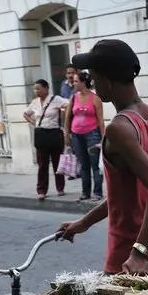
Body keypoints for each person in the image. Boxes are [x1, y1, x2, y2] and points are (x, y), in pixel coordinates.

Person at [57, 39, 148, 274]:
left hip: (130, 255)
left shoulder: (119, 128)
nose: (91, 85)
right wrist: (85, 223)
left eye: (93, 78)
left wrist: (138, 252)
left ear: (108, 81)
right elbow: (126, 194)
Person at [63, 70, 104, 201]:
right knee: (83, 165)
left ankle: (97, 192)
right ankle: (85, 192)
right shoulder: (73, 98)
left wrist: (103, 138)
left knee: (95, 165)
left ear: (83, 82)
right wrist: (66, 134)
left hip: (92, 134)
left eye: (76, 81)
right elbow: (67, 117)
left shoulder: (95, 99)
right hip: (76, 134)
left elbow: (100, 120)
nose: (73, 83)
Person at [24, 79, 68, 200]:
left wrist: (63, 117)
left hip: (54, 132)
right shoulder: (35, 102)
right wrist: (34, 122)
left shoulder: (56, 99)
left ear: (46, 88)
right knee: (42, 164)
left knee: (57, 162)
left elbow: (68, 105)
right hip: (41, 133)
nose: (36, 91)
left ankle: (60, 188)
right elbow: (26, 113)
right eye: (35, 89)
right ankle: (41, 190)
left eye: (39, 88)